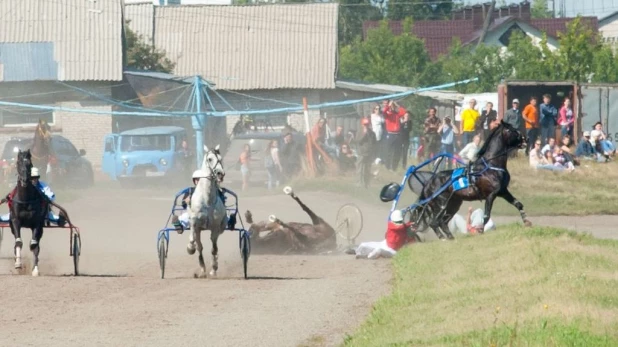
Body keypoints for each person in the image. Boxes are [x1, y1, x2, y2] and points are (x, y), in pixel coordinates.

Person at [351, 209, 416, 259]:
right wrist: (408, 224)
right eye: (397, 221)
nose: (399, 223)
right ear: (393, 221)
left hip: (393, 251)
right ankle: (357, 252)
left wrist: (412, 232)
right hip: (385, 244)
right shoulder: (391, 225)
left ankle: (367, 257)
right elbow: (399, 227)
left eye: (400, 221)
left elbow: (410, 241)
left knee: (378, 250)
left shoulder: (404, 229)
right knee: (363, 245)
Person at [357, 117, 377, 188]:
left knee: (367, 169)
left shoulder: (372, 133)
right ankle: (359, 183)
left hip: (369, 153)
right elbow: (359, 141)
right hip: (361, 153)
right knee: (360, 169)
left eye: (367, 124)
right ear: (362, 125)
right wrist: (364, 134)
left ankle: (367, 183)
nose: (366, 126)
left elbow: (374, 144)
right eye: (365, 124)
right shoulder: (359, 132)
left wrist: (374, 153)